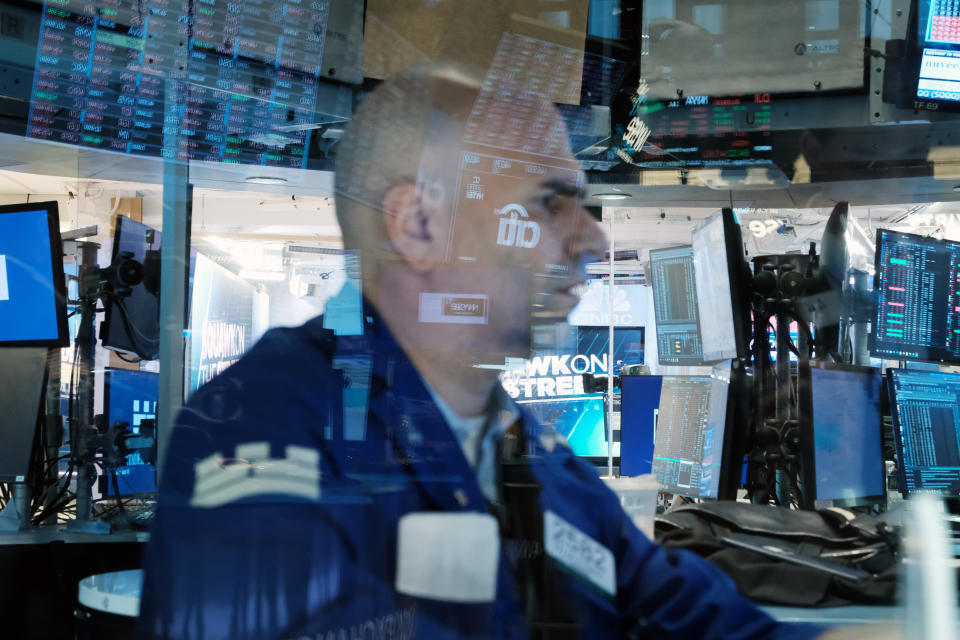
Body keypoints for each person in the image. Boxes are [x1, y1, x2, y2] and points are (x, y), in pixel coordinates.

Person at [138, 65, 891, 640]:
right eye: (549, 202)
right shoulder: (260, 439)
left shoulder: (528, 455)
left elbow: (697, 620)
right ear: (420, 225)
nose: (593, 239)